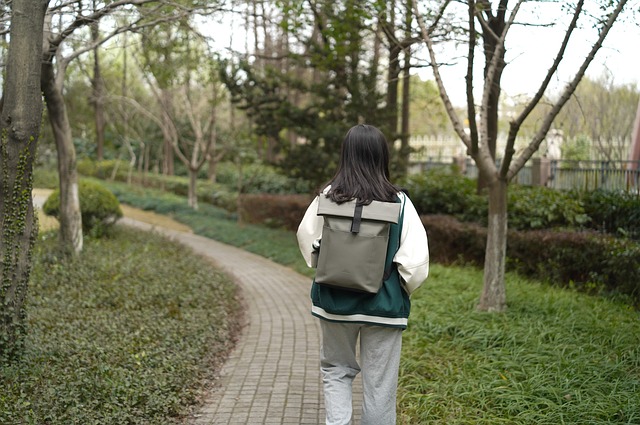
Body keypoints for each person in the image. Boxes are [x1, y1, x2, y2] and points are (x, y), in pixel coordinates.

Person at [296, 124, 429, 425]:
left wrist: (326, 266)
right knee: (380, 385)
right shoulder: (399, 202)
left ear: (346, 155)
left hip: (334, 302)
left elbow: (307, 239)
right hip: (384, 307)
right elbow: (416, 263)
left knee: (336, 371)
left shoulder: (328, 197)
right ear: (381, 157)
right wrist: (398, 290)